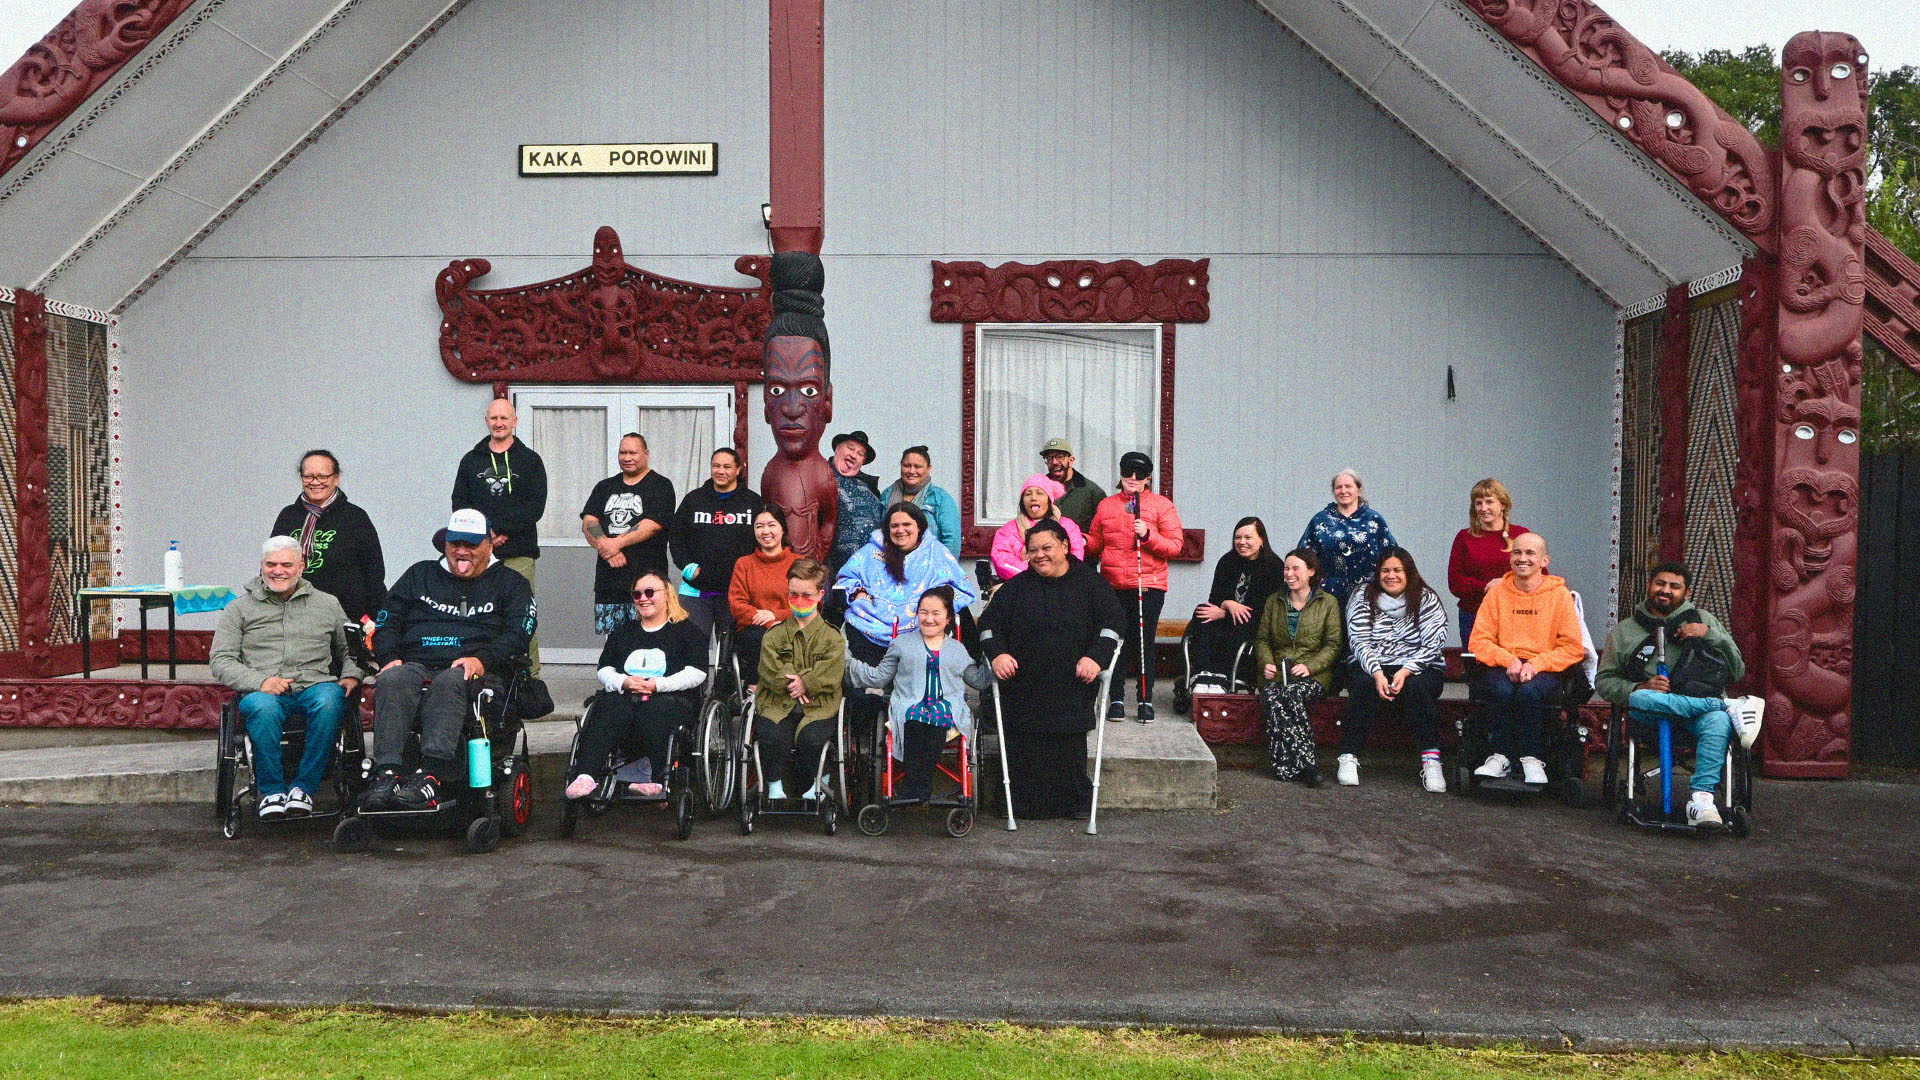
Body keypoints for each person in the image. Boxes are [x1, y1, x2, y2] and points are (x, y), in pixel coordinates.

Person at [362, 509, 536, 813]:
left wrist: (482, 659)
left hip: (474, 668)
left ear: (489, 544)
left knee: (451, 679)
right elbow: (386, 620)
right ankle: (387, 773)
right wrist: (389, 658)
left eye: (471, 545)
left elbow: (520, 632)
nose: (462, 552)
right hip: (415, 663)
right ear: (445, 545)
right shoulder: (420, 574)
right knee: (392, 678)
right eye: (456, 544)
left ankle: (432, 774)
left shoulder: (512, 583)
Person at [1597, 562, 1765, 828]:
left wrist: (1711, 636)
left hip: (1697, 720)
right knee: (1640, 700)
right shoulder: (1625, 631)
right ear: (1649, 586)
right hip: (1651, 714)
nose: (1665, 590)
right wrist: (1638, 687)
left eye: (1674, 586)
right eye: (1660, 584)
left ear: (1686, 593)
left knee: (1717, 722)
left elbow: (1738, 671)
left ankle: (1701, 800)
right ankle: (1724, 707)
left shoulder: (1705, 621)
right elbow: (1604, 682)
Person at [977, 520, 1126, 819]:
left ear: (1065, 546)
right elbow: (988, 626)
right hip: (1022, 685)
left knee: (1066, 750)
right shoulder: (1015, 588)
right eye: (1032, 550)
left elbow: (1113, 625)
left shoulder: (1092, 584)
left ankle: (1073, 805)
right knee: (1025, 748)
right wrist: (997, 655)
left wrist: (1096, 658)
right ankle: (1021, 806)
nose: (1039, 555)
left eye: (1047, 548)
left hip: (1072, 683)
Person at [210, 536, 366, 818]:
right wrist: (260, 682)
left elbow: (351, 650)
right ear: (261, 566)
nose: (278, 571)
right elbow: (221, 660)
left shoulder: (327, 604)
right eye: (271, 564)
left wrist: (352, 675)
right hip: (263, 690)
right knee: (263, 707)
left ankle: (304, 788)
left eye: (286, 564)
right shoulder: (239, 608)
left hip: (314, 686)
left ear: (301, 567)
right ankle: (271, 792)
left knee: (331, 700)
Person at [564, 568, 708, 800]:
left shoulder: (687, 631)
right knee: (608, 706)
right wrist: (624, 681)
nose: (643, 598)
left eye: (650, 592)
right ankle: (586, 776)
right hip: (627, 698)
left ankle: (656, 779)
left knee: (655, 708)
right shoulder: (624, 632)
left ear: (667, 594)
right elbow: (605, 669)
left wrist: (657, 685)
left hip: (669, 700)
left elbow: (696, 673)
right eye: (637, 594)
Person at [848, 586, 992, 803]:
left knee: (934, 722)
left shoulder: (957, 649)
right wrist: (848, 662)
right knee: (915, 720)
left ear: (947, 618)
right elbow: (878, 677)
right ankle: (918, 788)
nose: (929, 619)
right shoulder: (901, 644)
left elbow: (978, 680)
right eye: (923, 612)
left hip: (945, 707)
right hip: (910, 706)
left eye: (936, 613)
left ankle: (916, 789)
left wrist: (994, 660)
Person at [1466, 532, 1585, 785]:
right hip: (1504, 663)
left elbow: (1573, 647)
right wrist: (1508, 659)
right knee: (1500, 689)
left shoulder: (1560, 595)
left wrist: (1537, 664)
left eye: (1530, 553)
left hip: (1544, 665)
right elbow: (1480, 641)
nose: (1522, 558)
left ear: (1544, 561)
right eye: (1517, 552)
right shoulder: (1497, 594)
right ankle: (1500, 757)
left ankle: (1532, 758)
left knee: (1530, 693)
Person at [1083, 451, 1183, 723]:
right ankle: (1116, 698)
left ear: (1149, 477)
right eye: (1128, 472)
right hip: (1113, 585)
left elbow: (1175, 546)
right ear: (1121, 474)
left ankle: (1144, 699)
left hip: (1148, 586)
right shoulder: (1106, 505)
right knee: (1114, 642)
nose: (1134, 479)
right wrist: (1078, 540)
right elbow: (1095, 543)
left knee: (1143, 643)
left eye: (1140, 474)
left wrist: (1148, 536)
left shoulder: (1162, 505)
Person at [1340, 547, 1450, 791]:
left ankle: (1431, 761)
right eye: (1385, 570)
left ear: (1408, 572)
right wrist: (1377, 672)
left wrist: (1406, 670)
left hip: (1418, 665)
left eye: (1397, 570)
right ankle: (1349, 755)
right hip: (1373, 663)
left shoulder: (1425, 597)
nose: (1391, 575)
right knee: (1362, 685)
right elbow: (1358, 640)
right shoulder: (1362, 595)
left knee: (1417, 687)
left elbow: (1434, 643)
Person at [451, 397, 547, 675]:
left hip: (519, 551)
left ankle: (530, 677)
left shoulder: (530, 461)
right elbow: (460, 503)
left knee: (522, 614)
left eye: (504, 418)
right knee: (476, 612)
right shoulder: (470, 461)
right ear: (486, 422)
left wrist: (501, 531)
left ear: (515, 422)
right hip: (477, 552)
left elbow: (535, 506)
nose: (499, 423)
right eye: (494, 418)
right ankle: (480, 670)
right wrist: (486, 536)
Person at [757, 251, 838, 562]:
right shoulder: (772, 473)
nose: (792, 408)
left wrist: (816, 563)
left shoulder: (823, 473)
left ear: (828, 401)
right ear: (765, 403)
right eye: (777, 389)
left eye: (808, 389)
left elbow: (829, 519)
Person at [750, 559, 846, 802]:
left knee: (812, 739)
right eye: (794, 594)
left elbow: (832, 672)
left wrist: (807, 682)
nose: (800, 600)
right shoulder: (774, 634)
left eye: (807, 595)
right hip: (776, 702)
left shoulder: (832, 637)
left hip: (818, 706)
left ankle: (819, 782)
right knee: (770, 736)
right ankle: (773, 785)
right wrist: (796, 683)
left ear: (820, 595)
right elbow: (768, 668)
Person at [835, 502, 977, 666]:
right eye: (894, 526)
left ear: (919, 527)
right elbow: (845, 579)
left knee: (960, 613)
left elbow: (961, 588)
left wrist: (940, 599)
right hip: (873, 623)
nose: (900, 530)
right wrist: (858, 593)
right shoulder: (870, 552)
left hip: (921, 624)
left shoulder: (936, 552)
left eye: (906, 524)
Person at [1252, 548, 1342, 786]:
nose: (1289, 574)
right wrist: (1267, 662)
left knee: (1289, 695)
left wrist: (1310, 667)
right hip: (1278, 673)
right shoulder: (1274, 601)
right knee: (1273, 694)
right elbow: (1261, 639)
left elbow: (1333, 645)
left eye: (1295, 569)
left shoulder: (1328, 603)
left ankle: (1291, 766)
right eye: (1286, 568)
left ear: (1311, 572)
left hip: (1313, 675)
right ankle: (1305, 767)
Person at [269, 450, 386, 625]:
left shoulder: (355, 517)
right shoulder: (288, 516)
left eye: (322, 476)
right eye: (308, 476)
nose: (315, 482)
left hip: (342, 617)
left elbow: (374, 573)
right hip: (292, 616)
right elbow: (270, 564)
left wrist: (372, 622)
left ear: (336, 478)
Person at [580, 432, 674, 635]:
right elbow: (589, 521)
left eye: (633, 452)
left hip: (647, 586)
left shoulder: (661, 486)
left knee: (649, 639)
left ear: (646, 454)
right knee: (614, 644)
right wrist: (607, 547)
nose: (627, 457)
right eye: (623, 452)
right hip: (609, 584)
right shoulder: (604, 486)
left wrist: (617, 544)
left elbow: (652, 525)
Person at [670, 446, 762, 641]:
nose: (721, 471)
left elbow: (764, 541)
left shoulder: (753, 502)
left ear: (738, 469)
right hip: (696, 593)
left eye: (727, 466)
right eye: (716, 466)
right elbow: (676, 537)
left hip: (738, 593)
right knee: (691, 650)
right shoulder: (694, 500)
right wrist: (687, 567)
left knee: (732, 654)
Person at [1186, 517, 1285, 693]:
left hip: (1254, 622)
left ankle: (1222, 678)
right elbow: (1214, 598)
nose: (1242, 542)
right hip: (1225, 616)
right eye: (1237, 538)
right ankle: (1201, 674)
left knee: (1237, 626)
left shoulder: (1274, 566)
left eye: (1248, 537)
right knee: (1201, 612)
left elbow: (1264, 609)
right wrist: (1227, 603)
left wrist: (1225, 613)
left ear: (1261, 539)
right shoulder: (1227, 561)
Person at [1296, 468, 1396, 609]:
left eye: (1348, 486)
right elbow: (1303, 557)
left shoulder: (1373, 520)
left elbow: (1392, 555)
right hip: (1328, 596)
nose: (1343, 491)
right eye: (1339, 487)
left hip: (1368, 595)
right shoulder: (1320, 520)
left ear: (1359, 490)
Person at [1447, 478, 1530, 646]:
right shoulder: (1464, 537)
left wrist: (1507, 583)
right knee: (1476, 666)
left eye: (1489, 502)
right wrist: (1486, 586)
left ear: (1503, 505)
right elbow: (1455, 582)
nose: (1483, 508)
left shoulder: (1521, 535)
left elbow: (1540, 574)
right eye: (1478, 503)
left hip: (1515, 613)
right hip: (1474, 614)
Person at [728, 505, 800, 685]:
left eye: (771, 525)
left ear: (783, 529)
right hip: (754, 629)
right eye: (759, 526)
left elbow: (810, 602)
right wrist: (770, 623)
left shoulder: (799, 564)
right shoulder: (744, 564)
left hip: (794, 627)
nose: (765, 531)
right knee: (758, 638)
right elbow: (737, 603)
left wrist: (778, 616)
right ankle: (755, 688)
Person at [988, 473, 1085, 581]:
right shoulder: (1007, 530)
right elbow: (1002, 560)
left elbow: (1076, 556)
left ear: (1049, 500)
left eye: (1040, 493)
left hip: (1061, 584)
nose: (1033, 498)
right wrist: (1035, 574)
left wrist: (1052, 573)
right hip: (1022, 585)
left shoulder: (1068, 526)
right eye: (1028, 494)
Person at [881, 445, 963, 558]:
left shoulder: (941, 499)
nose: (911, 471)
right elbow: (880, 532)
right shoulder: (887, 495)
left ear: (928, 469)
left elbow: (952, 540)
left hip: (930, 564)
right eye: (906, 466)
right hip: (892, 563)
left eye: (918, 466)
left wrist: (943, 569)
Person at [829, 430, 885, 572]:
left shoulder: (870, 487)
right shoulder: (819, 476)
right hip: (835, 570)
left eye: (860, 454)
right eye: (850, 448)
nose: (854, 455)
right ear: (837, 448)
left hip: (873, 568)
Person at [1040, 437, 1105, 537]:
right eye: (1049, 458)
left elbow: (1102, 529)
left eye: (1060, 456)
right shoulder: (1038, 488)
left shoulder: (1091, 491)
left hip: (1079, 550)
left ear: (1071, 460)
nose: (1054, 462)